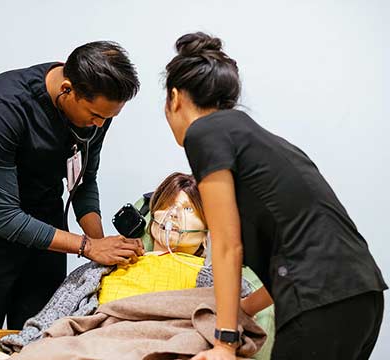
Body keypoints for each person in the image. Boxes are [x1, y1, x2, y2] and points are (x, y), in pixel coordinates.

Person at [163, 32, 387, 360]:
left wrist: (225, 342)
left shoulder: (204, 132)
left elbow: (227, 244)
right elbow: (296, 248)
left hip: (318, 305)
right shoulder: (266, 141)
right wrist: (244, 310)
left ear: (175, 98)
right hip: (361, 297)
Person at [0, 41, 144, 331]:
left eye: (108, 118)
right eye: (96, 115)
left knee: (40, 331)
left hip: (47, 227)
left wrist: (103, 248)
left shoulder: (96, 109)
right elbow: (5, 218)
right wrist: (89, 247)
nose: (100, 125)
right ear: (67, 89)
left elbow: (84, 180)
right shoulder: (1, 107)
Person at [0, 172, 274, 360]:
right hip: (98, 335)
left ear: (208, 231)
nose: (172, 215)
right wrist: (23, 350)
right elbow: (57, 312)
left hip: (166, 339)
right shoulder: (107, 265)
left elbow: (236, 317)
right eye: (167, 205)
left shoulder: (213, 275)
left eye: (187, 210)